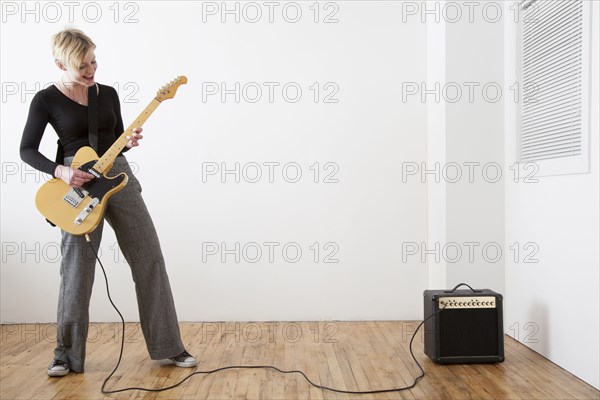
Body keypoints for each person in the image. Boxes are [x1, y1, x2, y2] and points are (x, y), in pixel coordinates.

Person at [19, 28, 196, 377]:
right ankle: (65, 356)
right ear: (60, 63)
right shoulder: (45, 100)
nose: (90, 70)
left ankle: (169, 346)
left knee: (149, 257)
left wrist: (128, 142)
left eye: (93, 61)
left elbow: (113, 142)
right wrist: (60, 172)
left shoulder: (108, 94)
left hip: (118, 176)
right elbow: (26, 149)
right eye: (81, 65)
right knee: (76, 271)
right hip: (76, 181)